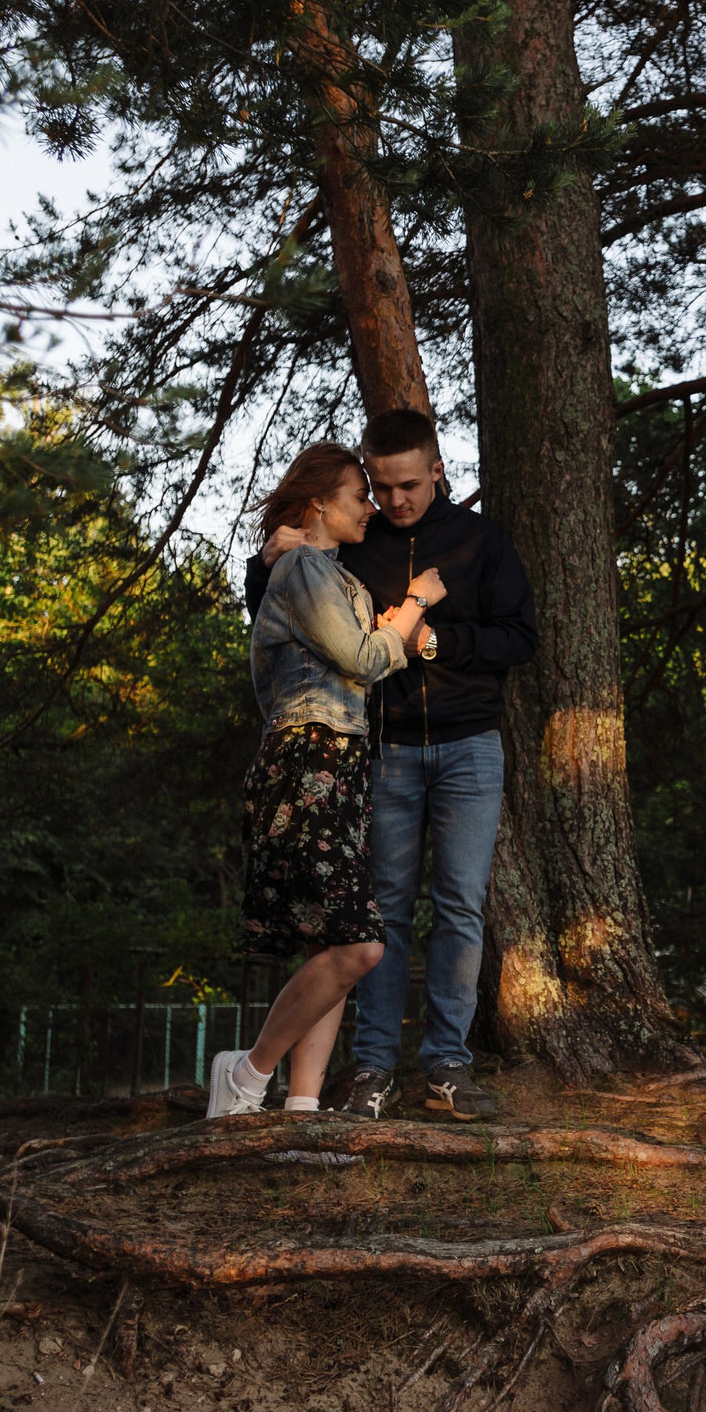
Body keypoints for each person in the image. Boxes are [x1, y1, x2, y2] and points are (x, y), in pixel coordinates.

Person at [244, 409, 535, 1121]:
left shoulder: (482, 541)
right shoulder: (356, 541)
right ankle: (371, 1067)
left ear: (437, 470)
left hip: (470, 745)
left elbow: (520, 637)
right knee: (379, 915)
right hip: (386, 750)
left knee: (462, 907)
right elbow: (278, 609)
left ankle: (445, 1066)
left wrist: (431, 640)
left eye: (407, 484)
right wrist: (268, 556)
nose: (393, 500)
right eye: (380, 486)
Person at [209, 442, 443, 1119]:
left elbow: (365, 652)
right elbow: (366, 659)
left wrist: (391, 623)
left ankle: (302, 1108)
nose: (371, 506)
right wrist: (416, 603)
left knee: (332, 941)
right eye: (358, 496)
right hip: (307, 758)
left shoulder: (337, 579)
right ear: (318, 506)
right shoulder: (305, 567)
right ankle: (248, 1072)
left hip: (336, 764)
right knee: (361, 942)